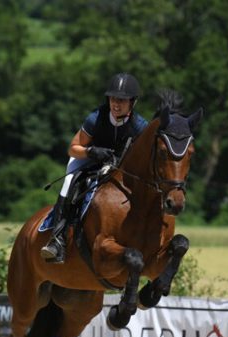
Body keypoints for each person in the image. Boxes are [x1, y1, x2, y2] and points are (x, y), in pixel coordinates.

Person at [40, 72, 149, 263]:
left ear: (133, 102)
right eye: (113, 99)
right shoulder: (96, 118)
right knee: (69, 182)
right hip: (87, 159)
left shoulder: (140, 126)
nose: (116, 104)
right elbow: (73, 149)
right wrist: (92, 151)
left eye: (122, 101)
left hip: (119, 166)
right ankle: (57, 240)